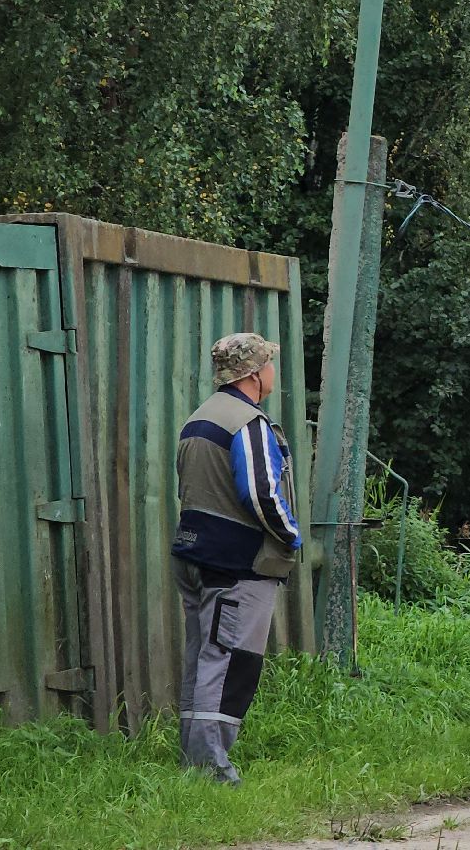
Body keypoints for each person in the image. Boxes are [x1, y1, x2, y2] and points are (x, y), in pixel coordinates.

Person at [168, 332, 301, 784]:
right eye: (269, 365)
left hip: (195, 553)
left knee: (204, 658)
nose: (272, 373)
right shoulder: (247, 423)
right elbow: (261, 493)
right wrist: (291, 536)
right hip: (236, 563)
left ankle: (194, 763)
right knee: (231, 662)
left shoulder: (197, 420)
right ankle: (211, 770)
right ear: (254, 373)